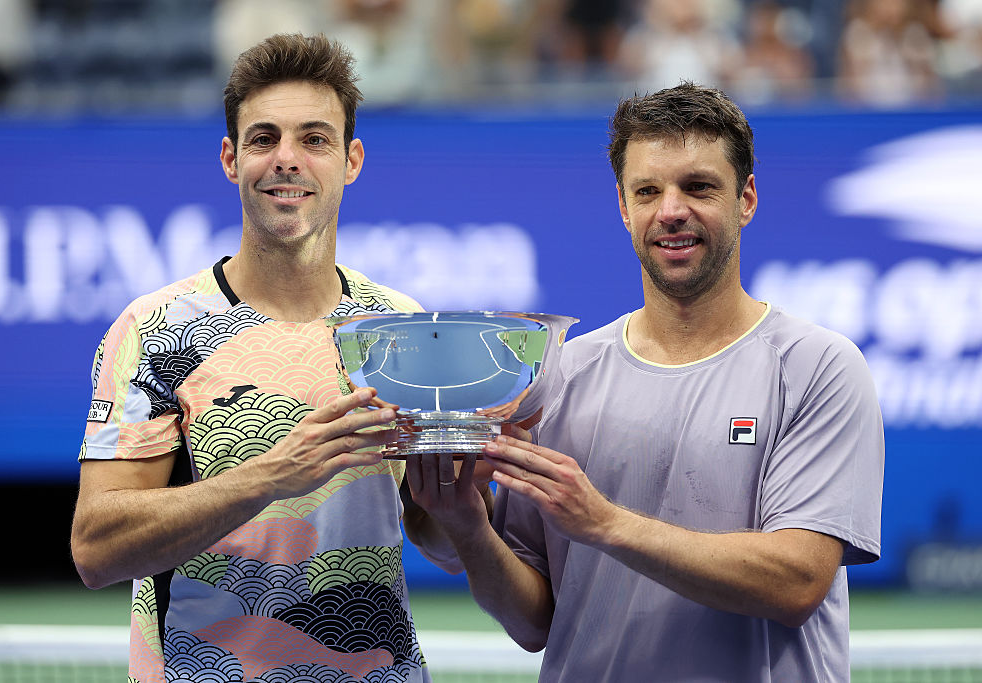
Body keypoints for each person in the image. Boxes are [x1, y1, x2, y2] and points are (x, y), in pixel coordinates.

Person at [408, 82, 885, 681]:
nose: (671, 211)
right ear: (623, 206)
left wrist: (606, 524)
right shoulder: (560, 375)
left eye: (699, 187)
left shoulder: (818, 366)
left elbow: (797, 582)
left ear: (746, 199)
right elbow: (534, 623)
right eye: (648, 191)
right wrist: (470, 527)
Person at [70, 33, 460, 683]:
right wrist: (272, 475)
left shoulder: (401, 324)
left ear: (351, 160)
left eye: (314, 139)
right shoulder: (155, 329)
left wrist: (460, 495)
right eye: (263, 139)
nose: (287, 159)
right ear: (231, 158)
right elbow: (95, 548)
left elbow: (444, 546)